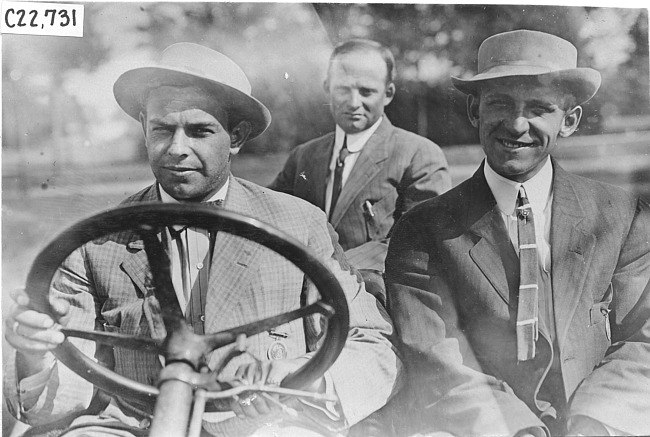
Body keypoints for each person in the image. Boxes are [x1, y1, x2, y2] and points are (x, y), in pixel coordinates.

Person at [4, 43, 401, 437]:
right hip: (133, 426)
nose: (177, 149)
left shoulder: (297, 224)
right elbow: (65, 394)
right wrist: (36, 352)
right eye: (162, 129)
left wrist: (303, 380)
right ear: (144, 125)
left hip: (267, 423)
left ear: (236, 136)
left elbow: (371, 342)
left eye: (198, 131)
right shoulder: (95, 243)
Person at [385, 30, 650, 437]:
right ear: (475, 110)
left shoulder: (622, 215)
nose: (516, 124)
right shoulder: (424, 230)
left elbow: (642, 338)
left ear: (570, 120)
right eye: (500, 104)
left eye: (539, 107)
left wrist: (596, 422)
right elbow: (437, 358)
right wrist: (515, 429)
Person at [269, 39, 451, 304]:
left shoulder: (418, 154)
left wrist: (328, 267)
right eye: (343, 90)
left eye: (367, 92)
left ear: (388, 93)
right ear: (327, 88)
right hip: (301, 298)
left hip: (377, 302)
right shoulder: (304, 156)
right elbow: (266, 215)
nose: (354, 102)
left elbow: (423, 242)